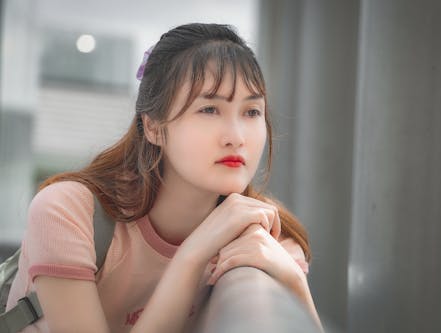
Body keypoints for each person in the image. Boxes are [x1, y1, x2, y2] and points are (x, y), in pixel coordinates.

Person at [6, 23, 322, 332]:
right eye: (210, 109)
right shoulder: (68, 211)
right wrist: (193, 254)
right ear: (154, 127)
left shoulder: (267, 232)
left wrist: (295, 283)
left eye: (252, 112)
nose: (236, 137)